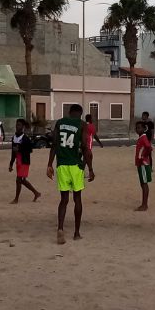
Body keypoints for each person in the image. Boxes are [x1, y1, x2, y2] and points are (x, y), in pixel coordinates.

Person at [46, 103, 95, 244]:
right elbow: (85, 147)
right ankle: (76, 233)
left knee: (64, 199)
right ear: (80, 113)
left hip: (61, 165)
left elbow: (54, 144)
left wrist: (49, 164)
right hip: (75, 166)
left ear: (69, 112)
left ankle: (60, 228)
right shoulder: (82, 124)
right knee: (77, 199)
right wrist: (90, 169)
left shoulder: (60, 123)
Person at [9, 119, 41, 204]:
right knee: (22, 180)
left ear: (23, 127)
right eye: (16, 125)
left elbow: (30, 150)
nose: (17, 127)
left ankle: (16, 199)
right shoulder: (14, 137)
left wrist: (19, 149)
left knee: (18, 180)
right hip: (18, 160)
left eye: (19, 125)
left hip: (24, 160)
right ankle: (36, 193)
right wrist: (11, 163)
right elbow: (13, 152)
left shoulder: (25, 138)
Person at [134, 121, 153, 211]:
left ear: (143, 128)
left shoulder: (143, 137)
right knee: (142, 183)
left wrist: (143, 156)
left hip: (143, 164)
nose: (137, 129)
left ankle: (144, 205)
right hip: (140, 164)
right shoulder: (141, 138)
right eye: (136, 128)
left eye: (139, 127)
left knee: (144, 184)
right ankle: (144, 204)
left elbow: (149, 147)